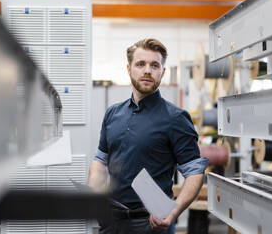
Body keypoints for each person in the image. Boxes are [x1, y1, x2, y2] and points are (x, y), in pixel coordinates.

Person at [88, 38, 208, 234]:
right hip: (111, 222)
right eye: (140, 64)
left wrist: (174, 211)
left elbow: (194, 172)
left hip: (151, 224)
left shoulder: (176, 118)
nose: (147, 70)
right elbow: (100, 160)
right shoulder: (112, 114)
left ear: (162, 71)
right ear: (129, 69)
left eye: (154, 65)